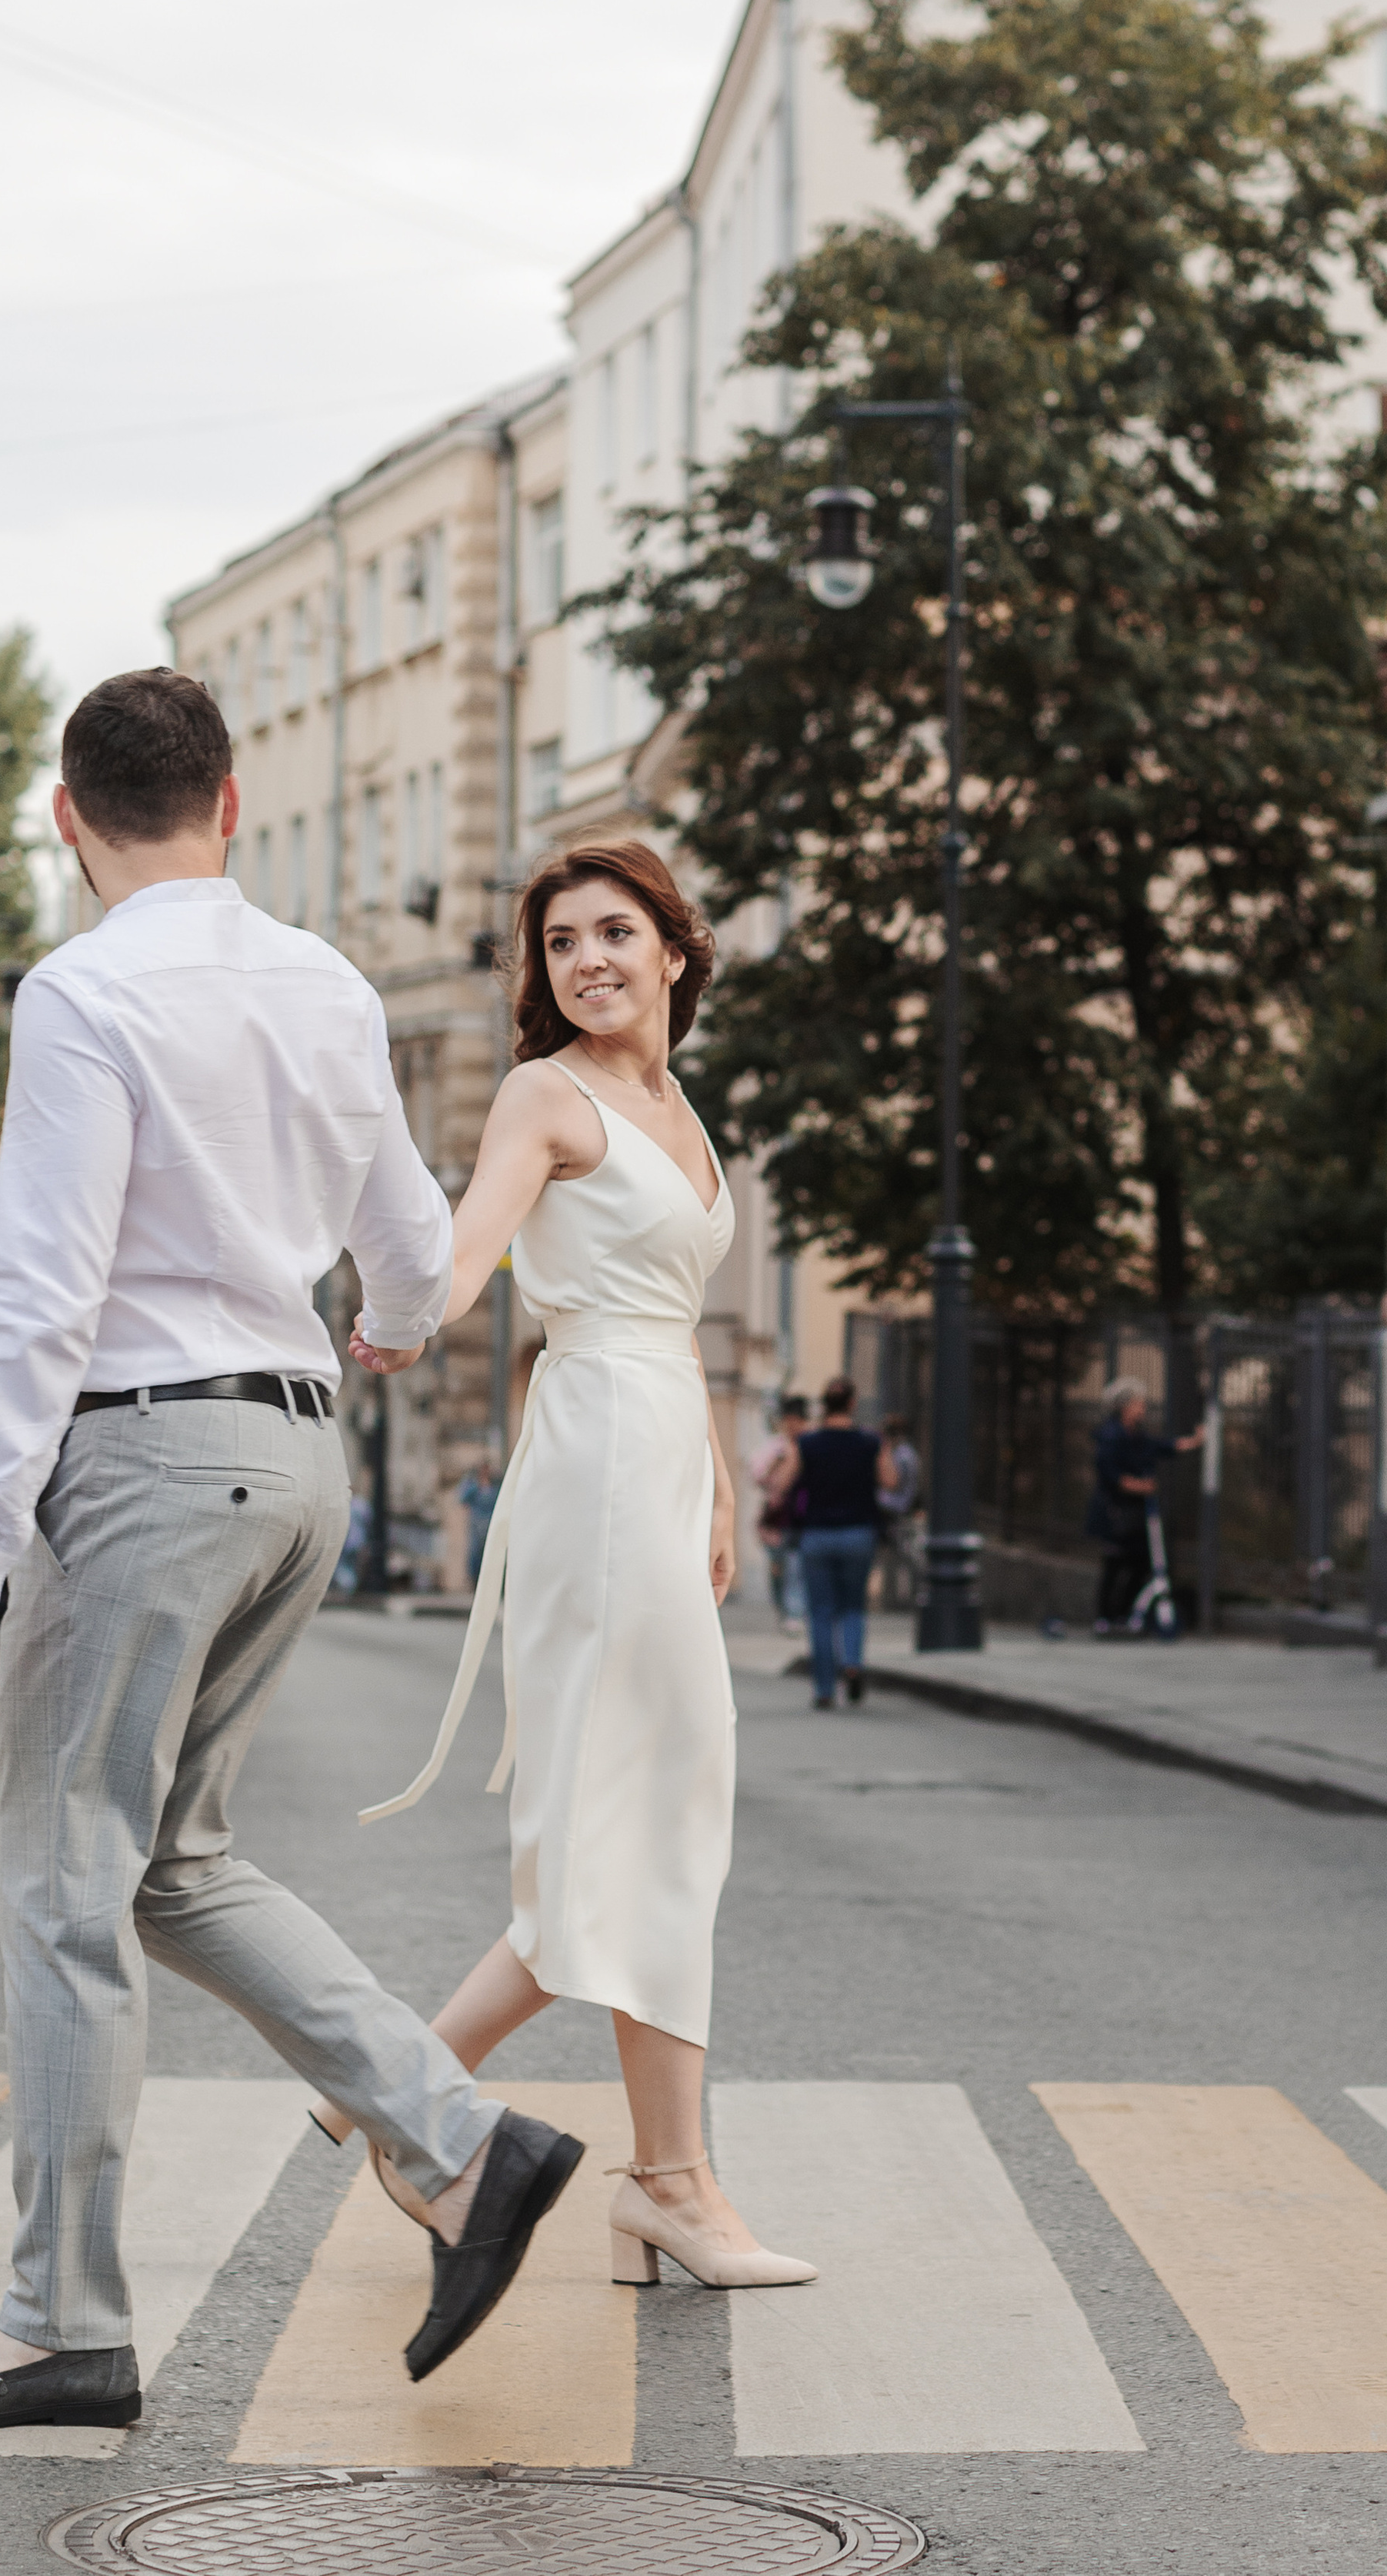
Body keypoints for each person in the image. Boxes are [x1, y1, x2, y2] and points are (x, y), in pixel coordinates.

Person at [0, 669, 581, 2443]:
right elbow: (405, 1230)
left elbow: (40, 1290)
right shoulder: (320, 980)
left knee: (63, 1886)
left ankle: (56, 2331)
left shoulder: (84, 990)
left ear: (63, 815)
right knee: (172, 1861)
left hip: (147, 1463)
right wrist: (393, 1319)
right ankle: (458, 2137)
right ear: (231, 806)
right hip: (294, 1456)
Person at [338, 842, 814, 2295]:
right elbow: (477, 1241)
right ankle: (663, 2179)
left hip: (660, 1456)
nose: (589, 958)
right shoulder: (551, 1094)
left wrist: (719, 1482)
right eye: (561, 942)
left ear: (678, 948)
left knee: (640, 1825)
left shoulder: (678, 1108)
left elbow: (668, 1316)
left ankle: (427, 2094)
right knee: (643, 1819)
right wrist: (408, 1309)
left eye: (617, 931)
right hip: (598, 1460)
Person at [772, 1379, 880, 1706]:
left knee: (820, 1611)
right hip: (858, 1532)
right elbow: (890, 1480)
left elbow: (781, 1483)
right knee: (853, 1606)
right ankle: (852, 1663)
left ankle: (823, 1689)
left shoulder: (808, 1443)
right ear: (852, 1404)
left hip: (817, 1535)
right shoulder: (869, 1442)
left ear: (824, 1405)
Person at [1086, 1376, 1205, 1636]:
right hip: (1115, 1513)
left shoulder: (1136, 1436)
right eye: (1139, 1404)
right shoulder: (1111, 1436)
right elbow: (1110, 1473)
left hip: (1136, 1514)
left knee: (1139, 1564)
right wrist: (1139, 1486)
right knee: (1115, 1565)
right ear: (1125, 1406)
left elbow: (1161, 1447)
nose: (1143, 1409)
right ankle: (1105, 1618)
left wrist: (1192, 1442)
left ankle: (1125, 1615)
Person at [748, 1394, 809, 1623]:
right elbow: (756, 1475)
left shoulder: (810, 1443)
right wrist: (777, 1464)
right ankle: (784, 1607)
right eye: (789, 1420)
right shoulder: (775, 1446)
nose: (793, 1426)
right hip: (777, 1517)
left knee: (797, 1565)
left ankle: (795, 1611)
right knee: (779, 1566)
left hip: (803, 1515)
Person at [875, 1410, 921, 1613]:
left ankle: (902, 1599)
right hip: (896, 1509)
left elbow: (894, 1483)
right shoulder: (905, 1454)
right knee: (897, 1556)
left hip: (895, 1509)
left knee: (902, 1555)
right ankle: (895, 1597)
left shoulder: (903, 1456)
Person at [457, 1453, 502, 1596]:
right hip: (477, 1526)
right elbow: (462, 1499)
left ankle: (493, 1586)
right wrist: (477, 1485)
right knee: (475, 1555)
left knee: (492, 1555)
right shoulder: (473, 1485)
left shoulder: (495, 1486)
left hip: (492, 1526)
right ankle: (475, 1584)